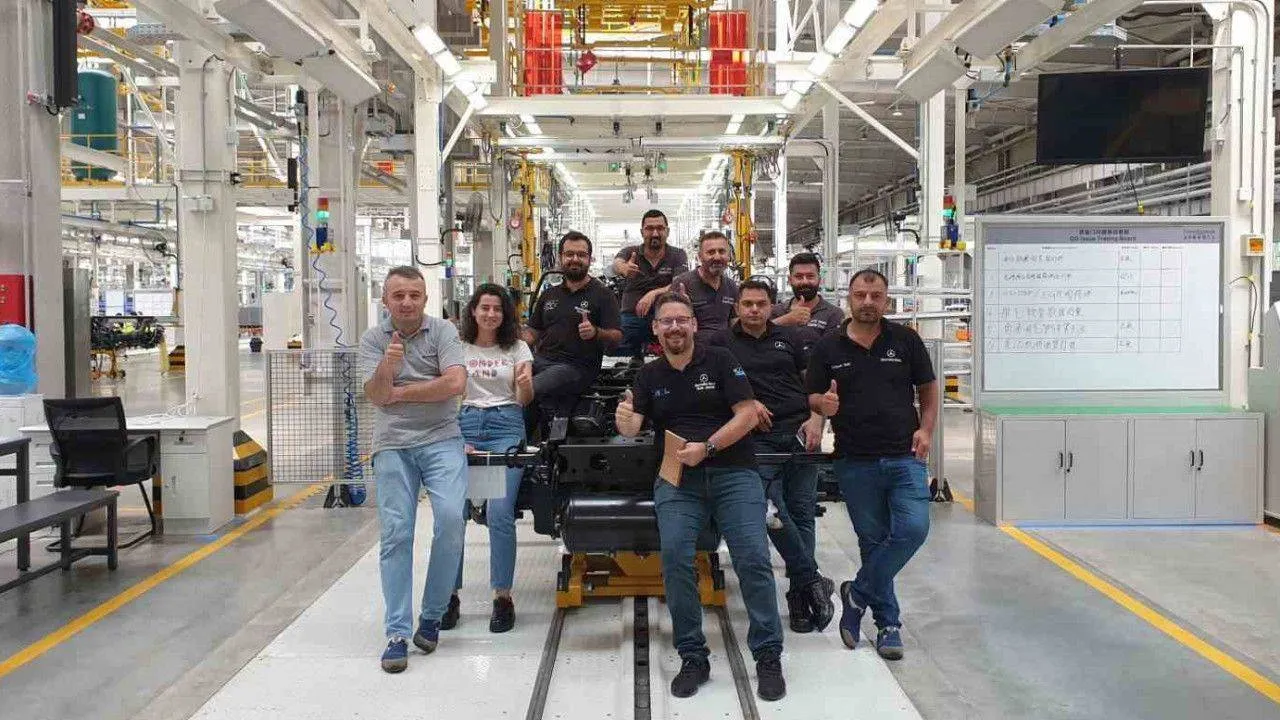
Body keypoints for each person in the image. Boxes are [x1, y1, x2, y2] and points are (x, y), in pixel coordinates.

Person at [615, 292, 786, 702]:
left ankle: (767, 654)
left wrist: (707, 448)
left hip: (733, 471)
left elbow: (747, 414)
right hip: (678, 479)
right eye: (666, 321)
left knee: (752, 557)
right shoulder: (649, 375)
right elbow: (632, 427)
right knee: (675, 559)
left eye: (681, 320)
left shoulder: (720, 360)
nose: (674, 327)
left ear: (693, 324)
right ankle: (693, 656)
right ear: (655, 329)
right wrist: (625, 419)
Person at [806, 268, 938, 661]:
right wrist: (822, 405)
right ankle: (888, 624)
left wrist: (926, 429)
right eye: (860, 295)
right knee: (873, 542)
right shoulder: (828, 347)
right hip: (855, 460)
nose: (868, 302)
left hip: (905, 455)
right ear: (848, 297)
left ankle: (857, 593)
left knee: (913, 529)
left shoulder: (906, 340)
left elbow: (928, 389)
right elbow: (812, 396)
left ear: (886, 300)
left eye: (875, 295)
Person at [360, 266, 468, 674]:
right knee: (397, 533)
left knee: (451, 520)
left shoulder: (442, 332)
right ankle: (397, 633)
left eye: (414, 295)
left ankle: (432, 615)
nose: (407, 302)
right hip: (393, 445)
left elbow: (454, 384)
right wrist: (387, 368)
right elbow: (376, 395)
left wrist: (399, 392)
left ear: (425, 298)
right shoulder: (374, 340)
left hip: (442, 439)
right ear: (386, 300)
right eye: (398, 295)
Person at [712, 279, 834, 634]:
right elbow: (715, 389)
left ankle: (799, 597)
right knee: (770, 512)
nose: (754, 309)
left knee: (802, 511)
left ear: (771, 306)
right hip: (755, 439)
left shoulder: (792, 338)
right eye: (747, 304)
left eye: (761, 304)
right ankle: (811, 579)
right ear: (736, 308)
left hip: (799, 432)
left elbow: (813, 386)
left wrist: (816, 418)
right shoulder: (721, 343)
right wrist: (748, 404)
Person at [446, 283, 534, 634]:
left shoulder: (518, 347)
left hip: (505, 428)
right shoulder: (458, 347)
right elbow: (449, 393)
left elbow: (524, 399)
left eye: (497, 308)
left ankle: (503, 597)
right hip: (465, 426)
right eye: (485, 307)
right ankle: (448, 596)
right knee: (453, 513)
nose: (491, 314)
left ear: (505, 313)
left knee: (499, 512)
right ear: (473, 310)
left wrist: (525, 383)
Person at [525, 231, 623, 420]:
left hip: (576, 368)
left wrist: (596, 332)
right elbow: (532, 333)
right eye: (569, 254)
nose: (575, 259)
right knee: (507, 377)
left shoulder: (603, 295)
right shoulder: (549, 295)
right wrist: (508, 335)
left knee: (528, 387)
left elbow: (616, 337)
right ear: (560, 257)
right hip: (542, 362)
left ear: (590, 259)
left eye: (581, 255)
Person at [612, 210, 689, 356]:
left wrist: (653, 294)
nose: (655, 233)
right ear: (642, 232)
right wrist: (624, 268)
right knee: (617, 349)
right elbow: (617, 263)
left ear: (667, 231)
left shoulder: (678, 255)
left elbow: (680, 283)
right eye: (649, 229)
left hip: (667, 317)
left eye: (660, 228)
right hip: (632, 317)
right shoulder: (631, 252)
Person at [770, 252, 846, 357]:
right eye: (799, 277)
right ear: (790, 280)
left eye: (810, 276)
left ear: (819, 279)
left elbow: (833, 352)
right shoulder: (776, 311)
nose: (805, 282)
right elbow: (758, 339)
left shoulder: (833, 314)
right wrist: (786, 320)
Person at [671, 230, 737, 346]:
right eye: (711, 252)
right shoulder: (683, 284)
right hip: (694, 349)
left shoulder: (732, 287)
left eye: (722, 251)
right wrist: (683, 310)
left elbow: (735, 323)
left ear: (729, 256)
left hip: (725, 349)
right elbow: (670, 324)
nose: (717, 257)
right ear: (700, 257)